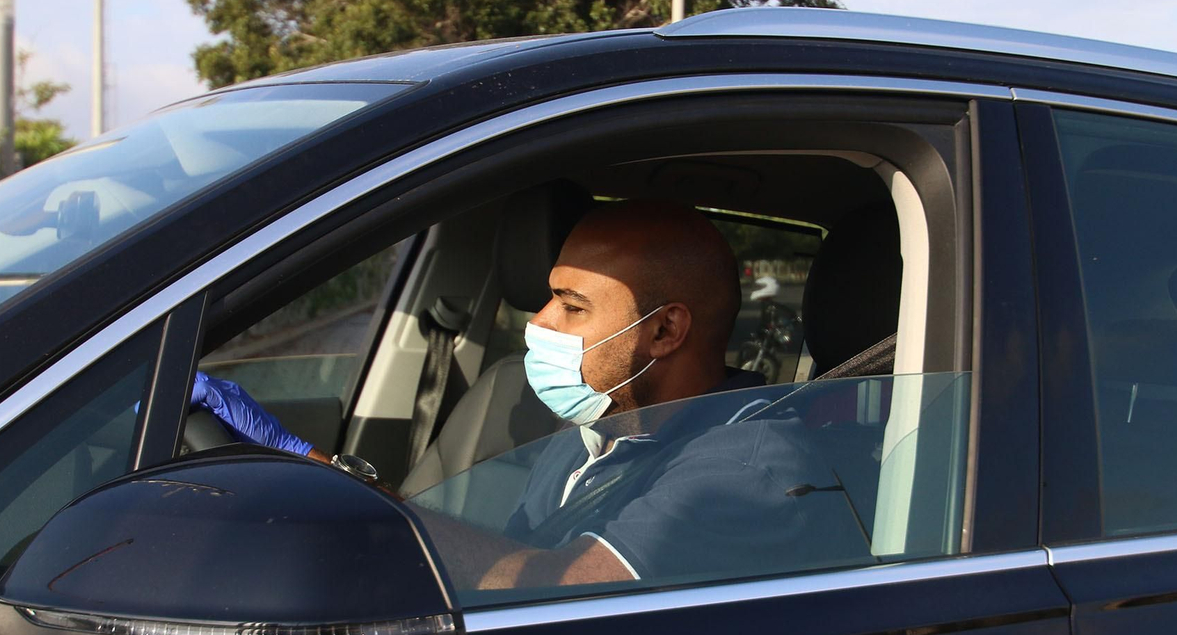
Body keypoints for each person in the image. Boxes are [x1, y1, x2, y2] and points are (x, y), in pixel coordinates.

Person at [195, 199, 869, 593]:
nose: (538, 321)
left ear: (664, 330)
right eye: (549, 295)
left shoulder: (753, 467)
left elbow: (548, 587)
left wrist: (326, 482)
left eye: (571, 306)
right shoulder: (598, 437)